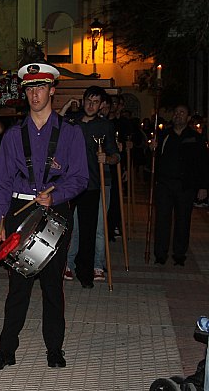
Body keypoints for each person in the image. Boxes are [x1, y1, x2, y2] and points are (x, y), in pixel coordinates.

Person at [0, 63, 88, 370]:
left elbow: (80, 178)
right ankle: (6, 350)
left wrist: (55, 196)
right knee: (18, 285)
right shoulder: (13, 135)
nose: (35, 94)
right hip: (21, 210)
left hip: (56, 210)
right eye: (29, 88)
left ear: (52, 90)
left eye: (41, 87)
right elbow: (1, 182)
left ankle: (54, 348)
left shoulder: (70, 133)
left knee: (53, 284)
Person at [65, 86, 120, 287]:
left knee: (91, 229)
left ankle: (87, 271)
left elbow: (116, 155)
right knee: (72, 227)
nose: (91, 105)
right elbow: (54, 125)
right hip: (70, 184)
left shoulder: (104, 126)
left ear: (101, 105)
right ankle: (68, 264)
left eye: (95, 102)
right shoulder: (72, 122)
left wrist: (107, 158)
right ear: (83, 100)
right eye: (88, 100)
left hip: (93, 184)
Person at [152, 104, 209, 266]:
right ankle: (160, 254)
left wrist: (203, 186)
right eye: (176, 112)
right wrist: (152, 149)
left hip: (186, 186)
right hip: (164, 184)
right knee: (162, 219)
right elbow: (155, 159)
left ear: (188, 118)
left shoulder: (195, 137)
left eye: (182, 113)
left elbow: (203, 164)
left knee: (183, 220)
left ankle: (179, 254)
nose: (178, 115)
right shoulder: (164, 135)